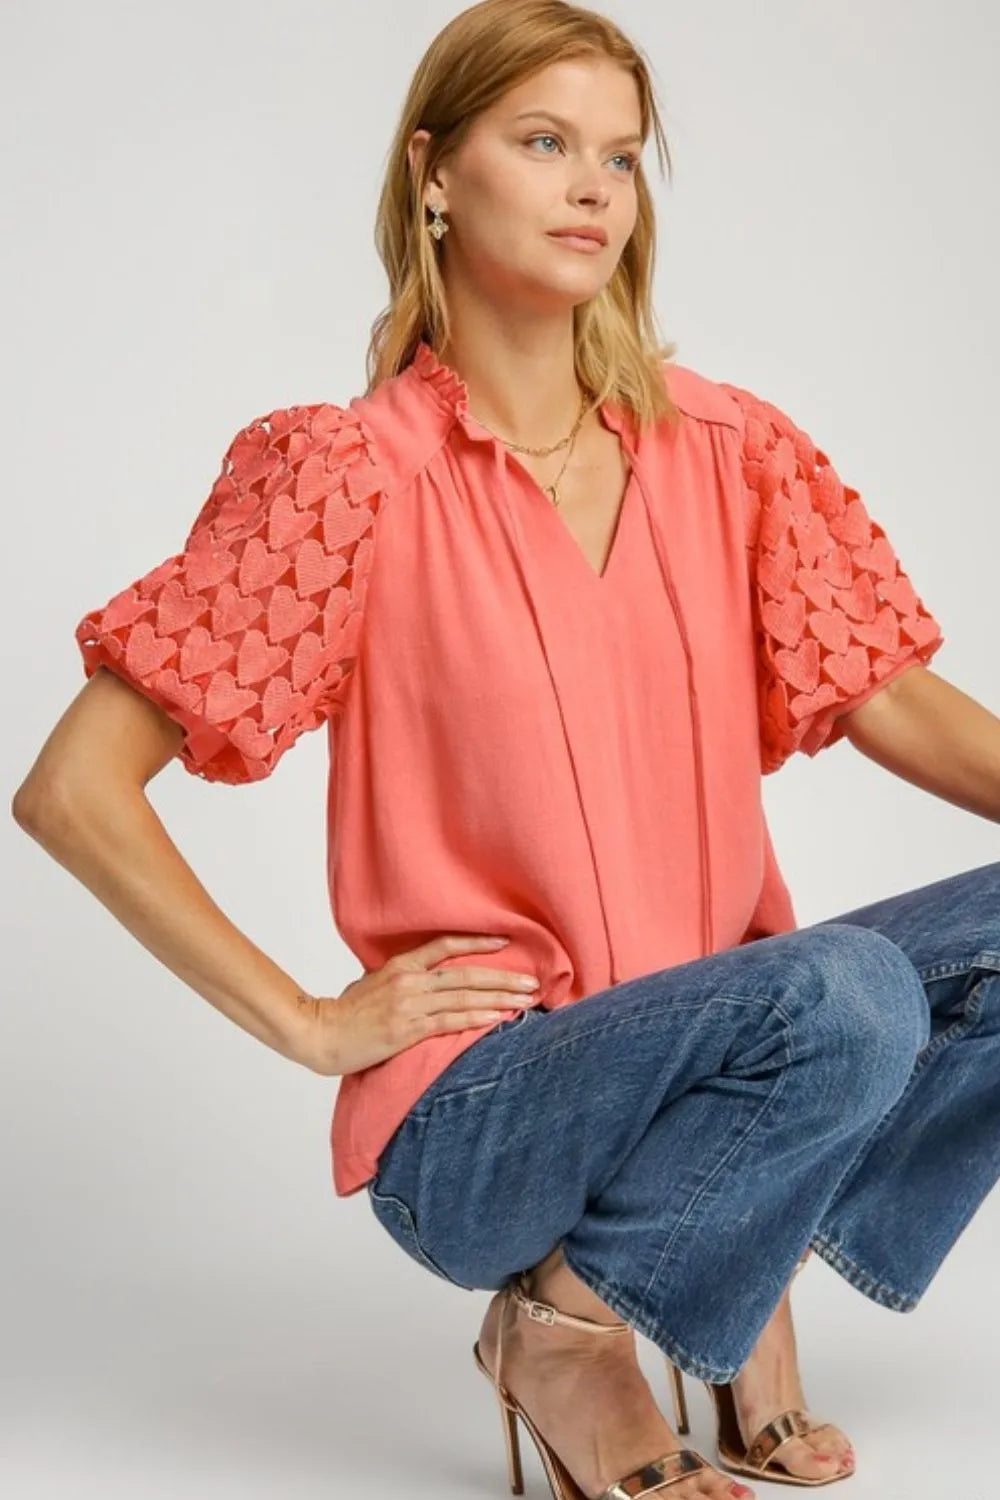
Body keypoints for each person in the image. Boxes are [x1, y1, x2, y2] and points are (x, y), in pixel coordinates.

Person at [12, 1, 1000, 1496]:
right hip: (491, 1107)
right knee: (847, 994)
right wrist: (308, 1022)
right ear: (433, 172)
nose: (594, 187)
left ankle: (724, 1260)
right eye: (544, 143)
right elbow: (72, 791)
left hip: (738, 1041)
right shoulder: (348, 480)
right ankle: (563, 1336)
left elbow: (889, 694)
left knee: (870, 985)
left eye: (620, 155)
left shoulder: (728, 452)